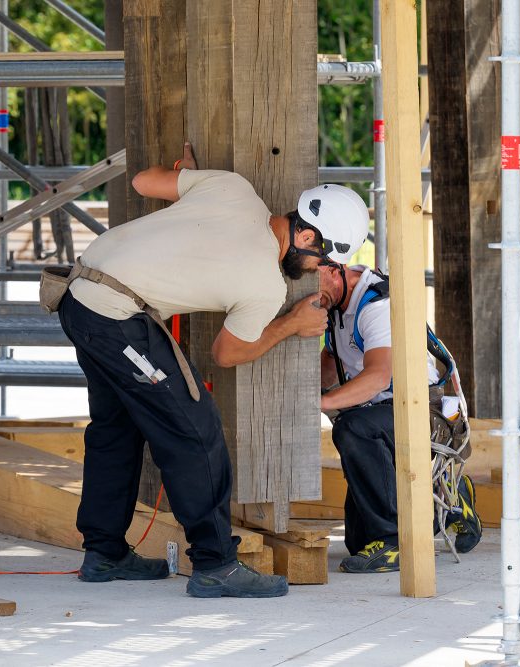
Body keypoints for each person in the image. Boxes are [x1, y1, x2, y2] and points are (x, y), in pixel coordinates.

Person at [53, 143, 370, 598]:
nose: (320, 270)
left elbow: (145, 180)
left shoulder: (231, 188)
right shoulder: (263, 281)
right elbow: (227, 353)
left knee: (116, 428)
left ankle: (104, 554)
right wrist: (291, 325)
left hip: (80, 293)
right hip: (113, 316)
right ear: (305, 238)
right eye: (324, 259)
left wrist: (189, 179)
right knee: (195, 431)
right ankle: (216, 564)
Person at [318, 262, 483, 573]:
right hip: (383, 413)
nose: (310, 296)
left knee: (352, 429)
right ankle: (454, 498)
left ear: (331, 267)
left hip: (423, 409)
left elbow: (378, 377)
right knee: (358, 542)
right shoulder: (336, 306)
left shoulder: (375, 303)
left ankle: (395, 540)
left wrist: (323, 401)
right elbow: (331, 361)